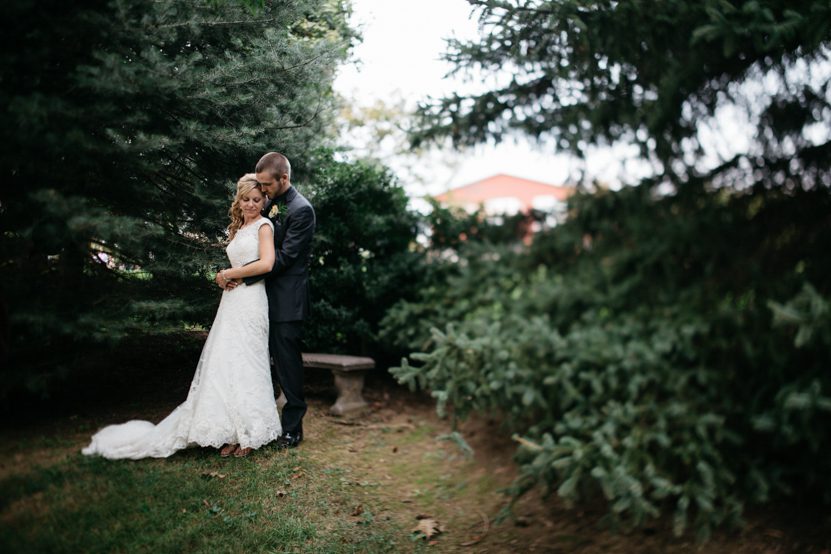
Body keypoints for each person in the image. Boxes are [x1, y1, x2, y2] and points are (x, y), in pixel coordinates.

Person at [82, 175, 281, 459]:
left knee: (248, 360)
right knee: (226, 361)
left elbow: (267, 263)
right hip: (232, 301)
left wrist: (228, 273)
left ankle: (250, 432)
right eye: (246, 199)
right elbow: (238, 263)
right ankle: (231, 432)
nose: (251, 205)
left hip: (252, 301)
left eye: (256, 200)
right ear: (238, 201)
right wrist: (223, 279)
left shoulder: (264, 226)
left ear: (264, 201)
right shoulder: (239, 228)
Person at [224, 152, 315, 449]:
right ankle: (255, 421)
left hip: (287, 301)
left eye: (266, 185)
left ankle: (292, 429)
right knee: (255, 361)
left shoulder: (301, 210)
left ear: (283, 179)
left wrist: (243, 275)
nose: (262, 191)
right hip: (259, 298)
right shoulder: (271, 202)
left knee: (287, 364)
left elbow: (284, 258)